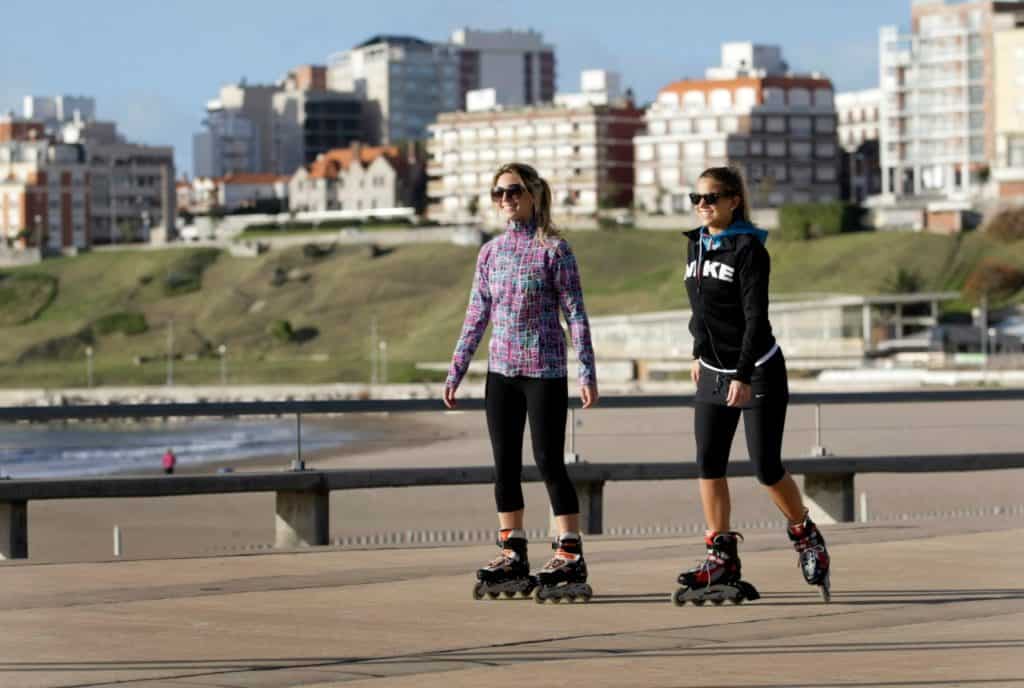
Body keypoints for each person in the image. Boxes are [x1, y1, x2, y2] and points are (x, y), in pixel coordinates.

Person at [444, 162, 599, 602]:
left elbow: (576, 316)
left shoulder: (555, 250)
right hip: (501, 373)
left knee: (550, 461)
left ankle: (569, 553)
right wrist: (457, 368)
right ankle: (512, 552)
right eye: (497, 193)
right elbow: (477, 314)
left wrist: (586, 369)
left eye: (512, 191)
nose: (505, 199)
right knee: (504, 465)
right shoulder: (490, 253)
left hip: (545, 371)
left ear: (532, 193)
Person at [676, 166, 831, 603]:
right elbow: (700, 309)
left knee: (765, 466)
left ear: (733, 201)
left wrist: (743, 374)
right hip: (711, 368)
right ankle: (720, 557)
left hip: (757, 367)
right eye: (697, 198)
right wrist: (697, 351)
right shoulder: (695, 245)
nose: (702, 205)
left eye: (711, 198)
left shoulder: (749, 249)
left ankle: (805, 533)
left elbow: (754, 318)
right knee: (708, 462)